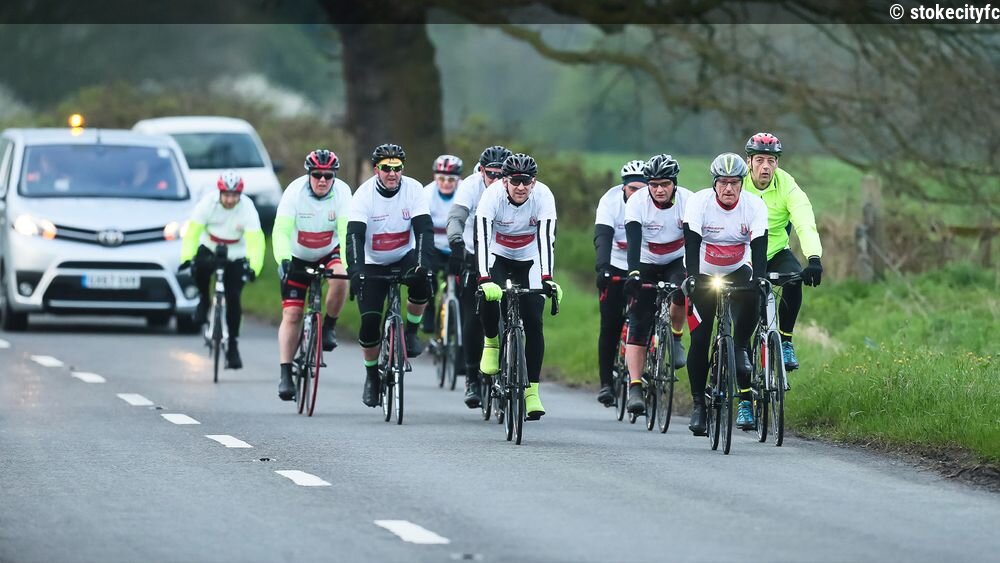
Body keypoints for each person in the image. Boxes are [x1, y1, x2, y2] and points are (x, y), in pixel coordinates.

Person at [682, 153, 769, 434]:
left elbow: (759, 246)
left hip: (737, 269)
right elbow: (691, 242)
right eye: (723, 182)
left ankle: (740, 346)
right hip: (703, 271)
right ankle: (699, 405)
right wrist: (692, 278)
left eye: (734, 183)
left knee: (754, 293)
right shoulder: (699, 202)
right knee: (700, 338)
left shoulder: (754, 205)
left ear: (742, 183)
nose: (729, 188)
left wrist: (760, 278)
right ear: (714, 183)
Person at [346, 143, 435, 408]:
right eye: (386, 168)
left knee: (423, 280)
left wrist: (423, 264)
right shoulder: (363, 196)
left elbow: (424, 230)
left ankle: (411, 332)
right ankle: (372, 376)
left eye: (397, 168)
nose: (392, 174)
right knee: (369, 323)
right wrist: (355, 271)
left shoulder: (414, 189)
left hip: (403, 255)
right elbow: (354, 237)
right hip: (372, 262)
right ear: (376, 170)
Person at [476, 153, 562, 420]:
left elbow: (547, 237)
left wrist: (547, 278)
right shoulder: (491, 196)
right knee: (490, 297)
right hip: (498, 253)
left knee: (534, 320)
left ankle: (532, 392)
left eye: (526, 181)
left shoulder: (544, 196)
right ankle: (492, 342)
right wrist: (484, 278)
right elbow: (482, 237)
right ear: (505, 181)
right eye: (515, 181)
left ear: (534, 182)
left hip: (530, 257)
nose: (521, 187)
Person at [272, 149, 352, 401]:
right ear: (309, 174)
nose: (323, 180)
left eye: (328, 176)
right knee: (292, 314)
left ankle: (329, 326)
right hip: (297, 255)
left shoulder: (343, 193)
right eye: (317, 175)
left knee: (341, 277)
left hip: (329, 251)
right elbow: (281, 230)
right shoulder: (294, 193)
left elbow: (346, 232)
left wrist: (350, 265)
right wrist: (283, 260)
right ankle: (286, 373)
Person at [742, 132, 824, 371]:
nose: (766, 166)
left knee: (794, 279)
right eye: (759, 160)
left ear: (777, 163)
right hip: (744, 254)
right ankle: (738, 351)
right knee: (744, 298)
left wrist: (814, 258)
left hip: (776, 250)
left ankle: (786, 341)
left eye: (772, 161)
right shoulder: (737, 182)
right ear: (749, 162)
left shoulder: (787, 185)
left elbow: (804, 222)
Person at [621, 154, 693, 415]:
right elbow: (633, 241)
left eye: (665, 184)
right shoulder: (637, 202)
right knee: (639, 322)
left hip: (676, 259)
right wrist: (634, 273)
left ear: (674, 183)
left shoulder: (689, 201)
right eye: (653, 185)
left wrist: (693, 274)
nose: (659, 190)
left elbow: (693, 242)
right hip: (646, 260)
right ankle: (635, 386)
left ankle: (676, 337)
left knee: (681, 290)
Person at [446, 145, 512, 409]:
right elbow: (456, 217)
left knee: (512, 308)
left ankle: (512, 361)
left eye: (501, 175)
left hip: (505, 256)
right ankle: (472, 377)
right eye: (491, 174)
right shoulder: (470, 186)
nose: (496, 179)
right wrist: (456, 242)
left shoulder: (515, 187)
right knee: (473, 317)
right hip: (474, 254)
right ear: (482, 171)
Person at [179, 170, 265, 369]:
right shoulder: (207, 204)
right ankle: (204, 300)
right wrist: (187, 258)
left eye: (234, 195)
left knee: (233, 297)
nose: (230, 200)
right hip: (210, 247)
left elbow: (255, 240)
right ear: (220, 192)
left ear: (240, 195)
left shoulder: (247, 208)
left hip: (236, 252)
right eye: (226, 195)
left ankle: (232, 345)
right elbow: (193, 232)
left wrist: (254, 267)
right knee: (198, 269)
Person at [593, 160, 646, 406]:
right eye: (632, 189)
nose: (636, 194)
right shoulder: (610, 201)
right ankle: (606, 384)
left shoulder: (652, 203)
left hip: (643, 263)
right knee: (610, 324)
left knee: (645, 319)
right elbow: (602, 237)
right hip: (615, 263)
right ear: (623, 187)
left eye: (641, 189)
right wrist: (603, 269)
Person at [422, 154, 464, 334]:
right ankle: (429, 309)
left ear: (458, 179)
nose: (446, 183)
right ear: (435, 177)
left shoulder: (464, 193)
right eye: (441, 179)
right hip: (435, 247)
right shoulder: (426, 194)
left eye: (451, 179)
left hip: (457, 246)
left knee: (463, 283)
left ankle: (455, 319)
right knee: (426, 278)